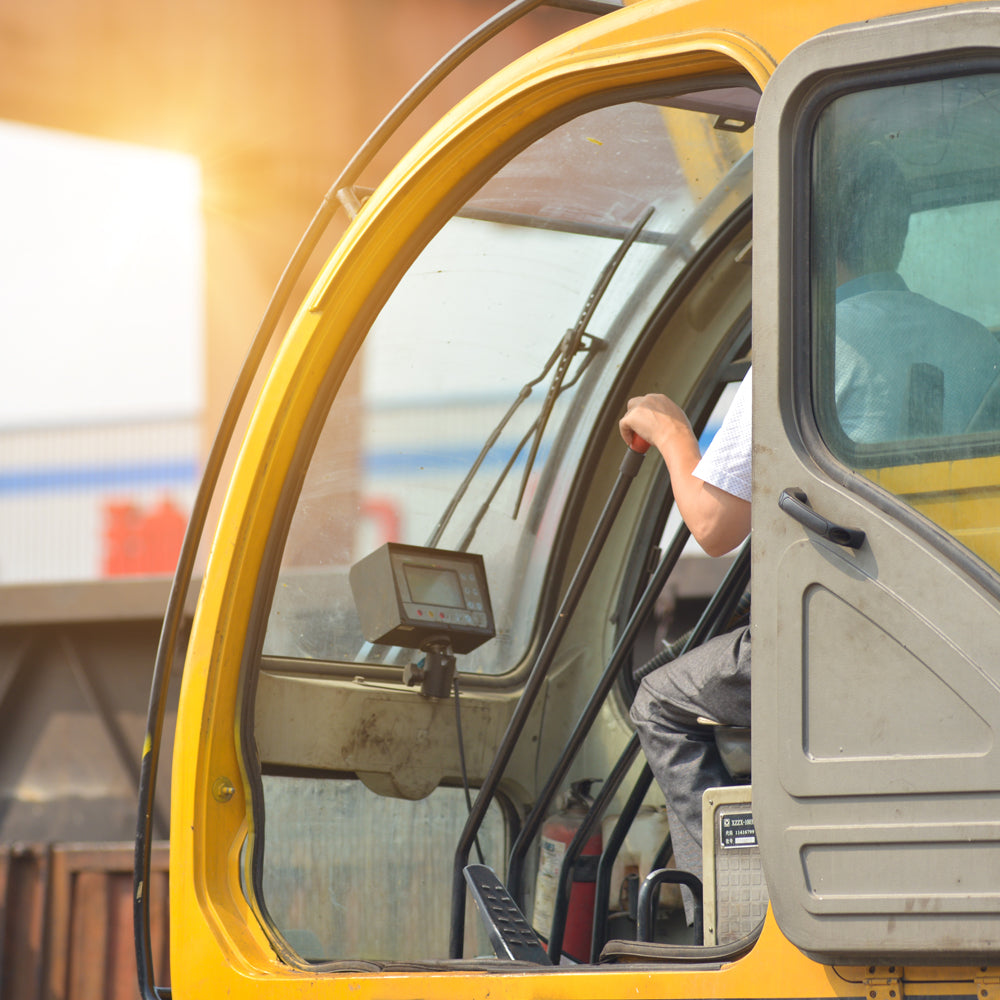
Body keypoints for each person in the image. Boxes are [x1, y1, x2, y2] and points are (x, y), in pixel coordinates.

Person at [619, 372, 752, 923]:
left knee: (658, 699)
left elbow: (714, 524)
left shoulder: (802, 348)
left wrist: (671, 431)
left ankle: (728, 914)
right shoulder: (966, 343)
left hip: (828, 633)